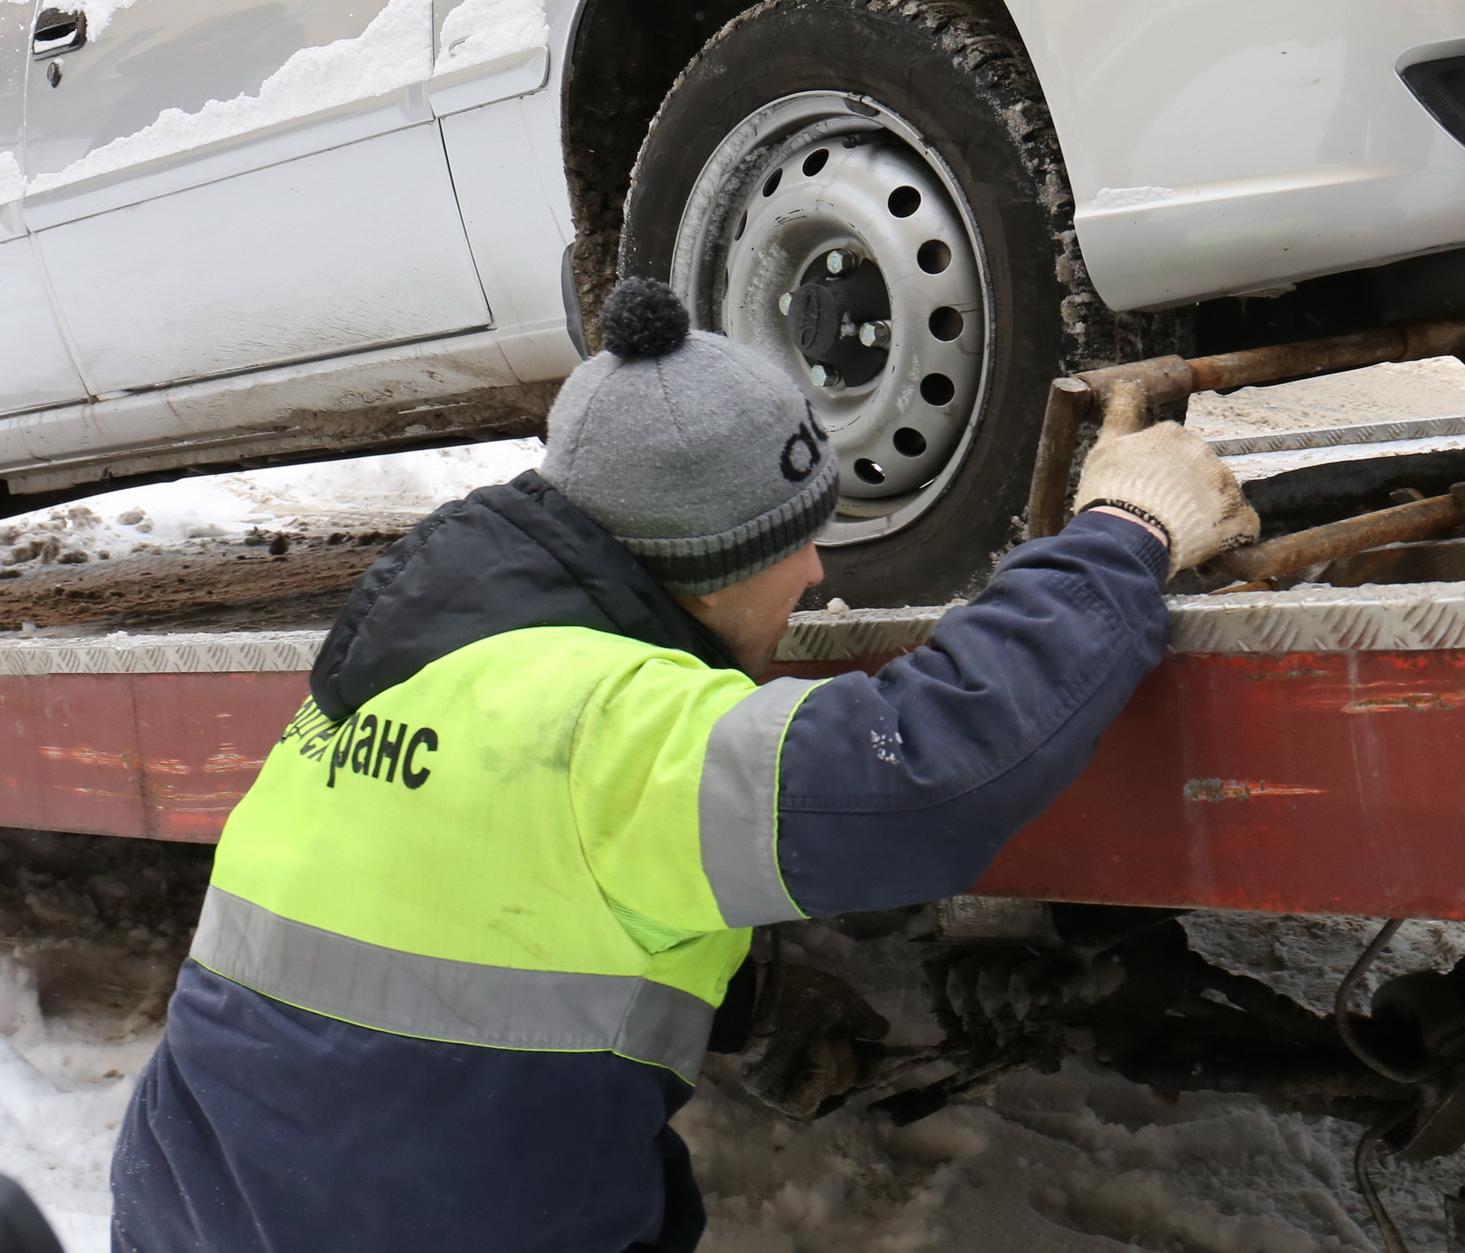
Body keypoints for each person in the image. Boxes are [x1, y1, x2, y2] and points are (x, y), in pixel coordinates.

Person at [110, 279, 1258, 1252]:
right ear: (700, 569)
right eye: (787, 541)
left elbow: (496, 918)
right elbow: (927, 768)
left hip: (197, 1205)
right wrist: (1121, 533)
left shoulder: (429, 659)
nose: (814, 572)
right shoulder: (606, 725)